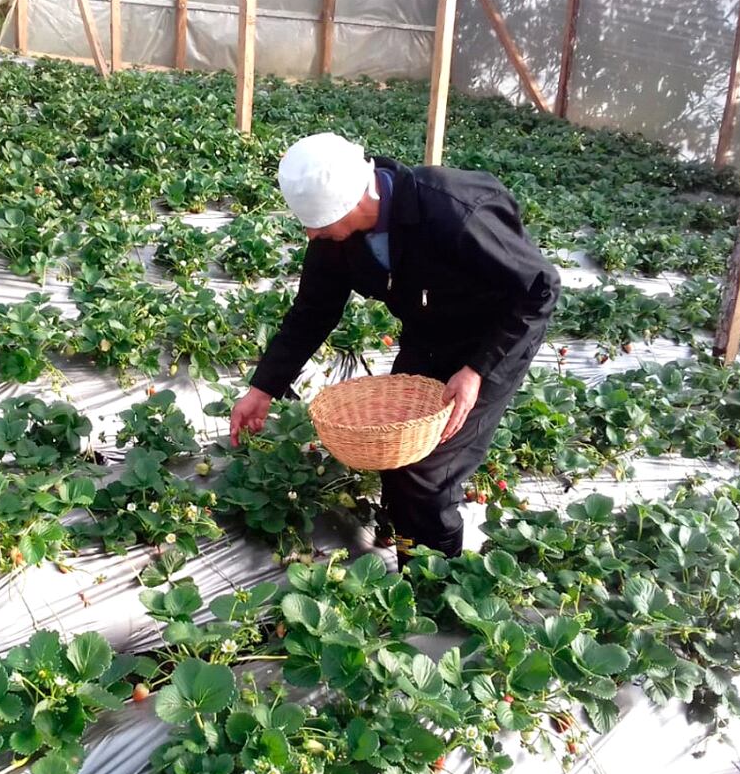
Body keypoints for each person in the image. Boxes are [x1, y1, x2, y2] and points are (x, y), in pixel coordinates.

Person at [229, 132, 560, 566]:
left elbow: (539, 290)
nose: (312, 231)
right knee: (396, 446)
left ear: (352, 202)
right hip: (429, 334)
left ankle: (440, 583)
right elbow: (313, 310)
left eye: (319, 221)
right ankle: (407, 544)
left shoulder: (451, 211)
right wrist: (263, 388)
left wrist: (478, 370)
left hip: (494, 339)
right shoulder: (337, 240)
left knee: (428, 474)